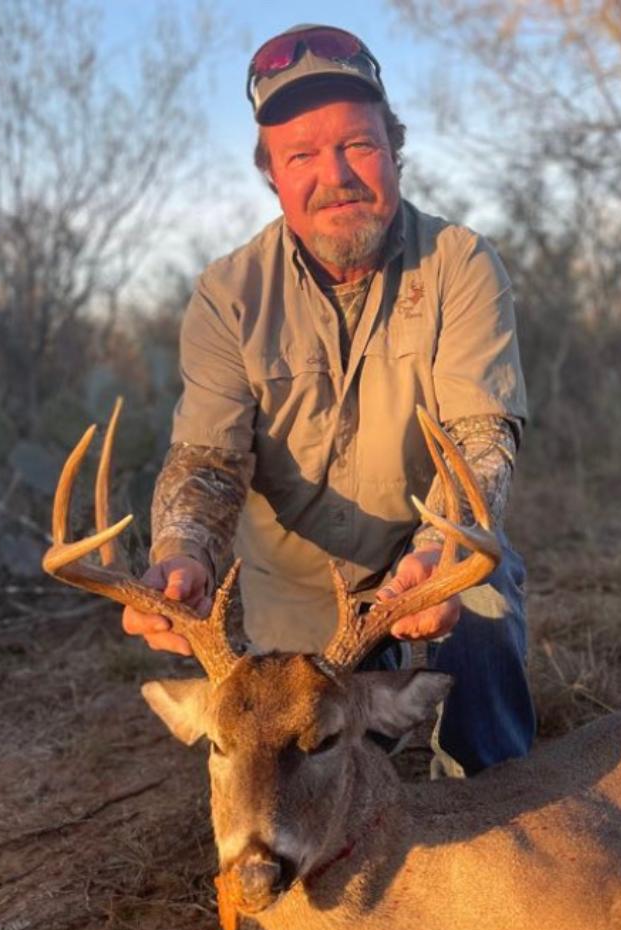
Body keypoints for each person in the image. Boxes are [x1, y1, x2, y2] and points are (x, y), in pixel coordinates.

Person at [122, 23, 534, 778]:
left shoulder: (459, 263)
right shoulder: (228, 294)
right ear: (272, 176)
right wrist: (182, 552)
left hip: (424, 568)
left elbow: (481, 440)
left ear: (395, 152)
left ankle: (500, 789)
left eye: (358, 145)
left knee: (481, 584)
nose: (335, 175)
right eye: (302, 156)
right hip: (300, 605)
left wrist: (439, 554)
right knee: (303, 794)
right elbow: (208, 462)